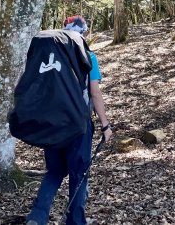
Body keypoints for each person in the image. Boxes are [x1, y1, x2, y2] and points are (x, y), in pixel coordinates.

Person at [27, 15, 113, 225]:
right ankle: (75, 222)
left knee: (55, 171)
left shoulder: (48, 55)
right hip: (78, 125)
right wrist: (105, 124)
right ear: (83, 34)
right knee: (79, 174)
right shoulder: (88, 56)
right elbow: (95, 93)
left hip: (52, 125)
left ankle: (37, 218)